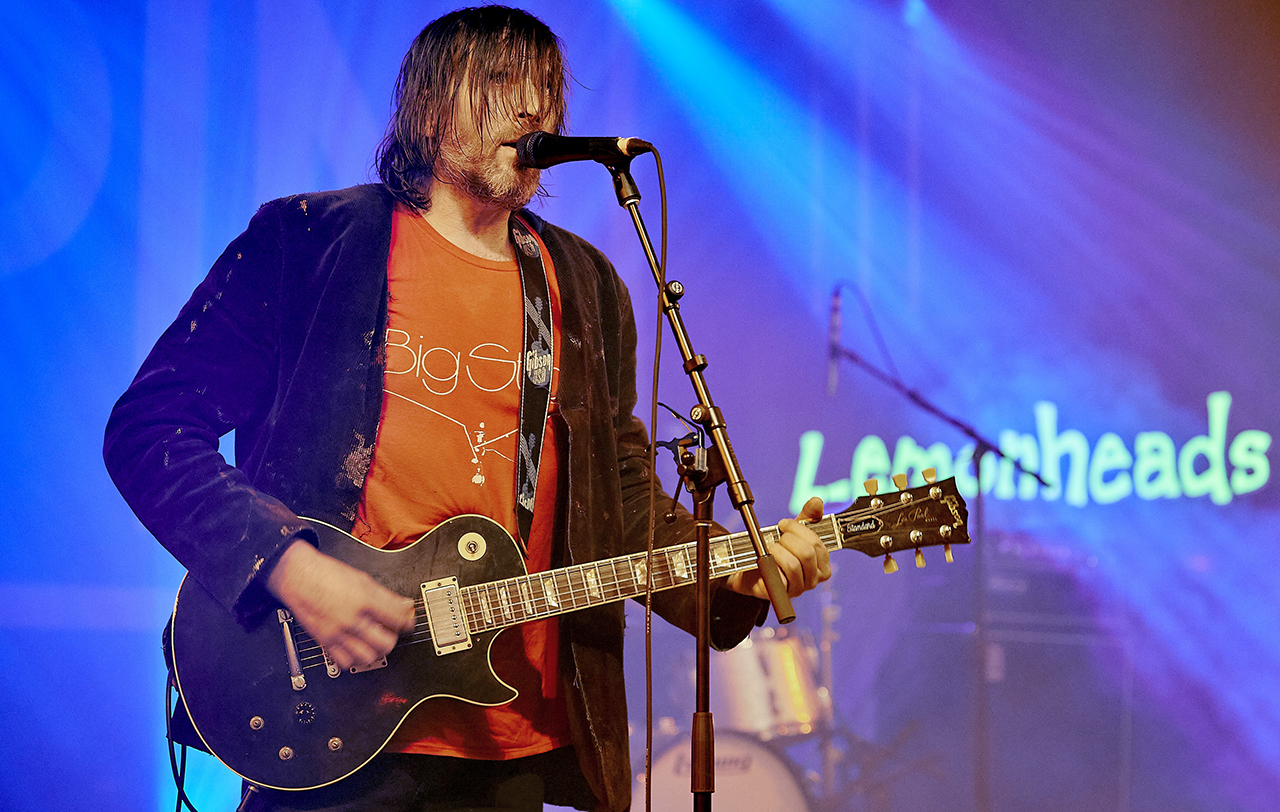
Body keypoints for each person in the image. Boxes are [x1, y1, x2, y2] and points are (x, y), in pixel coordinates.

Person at [104, 6, 829, 811]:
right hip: (333, 719)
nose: (533, 110)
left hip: (510, 735)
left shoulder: (584, 286)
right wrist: (290, 565)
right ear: (431, 106)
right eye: (499, 83)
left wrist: (735, 574)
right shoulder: (310, 243)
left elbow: (617, 506)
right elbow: (151, 427)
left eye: (547, 90)